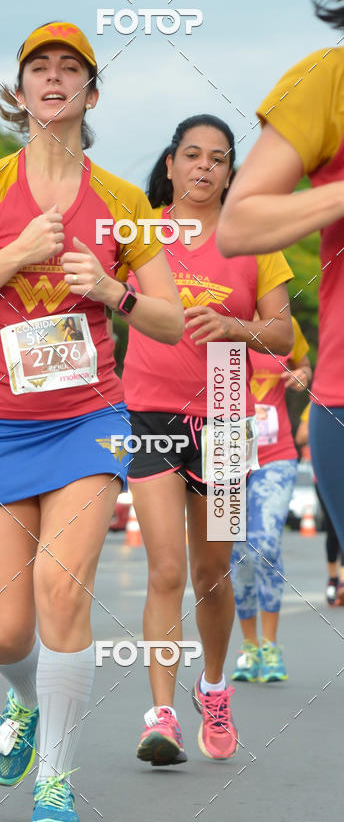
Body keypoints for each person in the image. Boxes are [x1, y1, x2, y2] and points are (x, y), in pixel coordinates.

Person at [0, 22, 183, 822]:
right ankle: (26, 700)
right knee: (4, 632)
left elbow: (170, 321)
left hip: (85, 421)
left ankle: (56, 784)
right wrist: (14, 253)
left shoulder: (126, 204)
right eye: (40, 68)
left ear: (91, 94)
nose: (55, 79)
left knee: (62, 591)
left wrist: (112, 288)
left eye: (72, 69)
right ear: (20, 92)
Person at [122, 115, 295, 767]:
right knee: (165, 567)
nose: (203, 167)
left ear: (231, 173)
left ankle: (215, 688)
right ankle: (160, 714)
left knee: (210, 573)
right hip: (149, 414)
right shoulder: (139, 235)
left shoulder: (253, 241)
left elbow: (281, 335)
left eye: (218, 159)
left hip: (224, 412)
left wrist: (233, 323)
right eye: (191, 155)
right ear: (169, 165)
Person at [217, 0, 344, 567]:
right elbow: (238, 225)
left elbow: (282, 338)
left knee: (248, 550)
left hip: (267, 437)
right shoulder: (329, 79)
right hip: (210, 425)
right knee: (215, 558)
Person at [231, 316, 311, 683]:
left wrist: (302, 375)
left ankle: (271, 644)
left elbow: (302, 364)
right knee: (235, 552)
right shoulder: (217, 315)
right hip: (226, 454)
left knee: (265, 542)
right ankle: (248, 646)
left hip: (276, 455)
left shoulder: (286, 325)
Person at [295, 402, 344, 605]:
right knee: (333, 530)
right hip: (325, 477)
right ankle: (333, 578)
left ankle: (341, 581)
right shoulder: (317, 405)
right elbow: (300, 436)